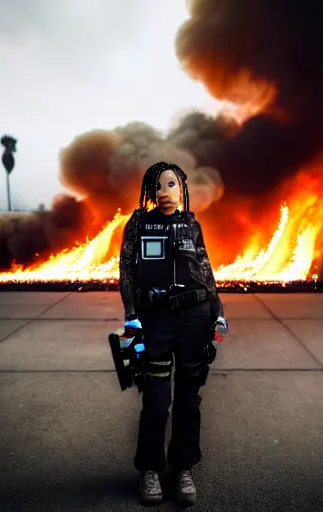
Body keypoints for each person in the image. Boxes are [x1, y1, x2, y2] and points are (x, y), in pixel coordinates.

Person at [118, 161, 227, 505]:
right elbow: (127, 271)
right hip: (157, 322)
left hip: (195, 319)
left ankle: (183, 468)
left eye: (172, 185)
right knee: (156, 400)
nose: (165, 193)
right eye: (159, 186)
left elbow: (206, 270)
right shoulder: (138, 224)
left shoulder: (191, 225)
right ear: (149, 192)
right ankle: (150, 469)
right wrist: (132, 317)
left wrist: (218, 314)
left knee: (188, 399)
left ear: (182, 189)